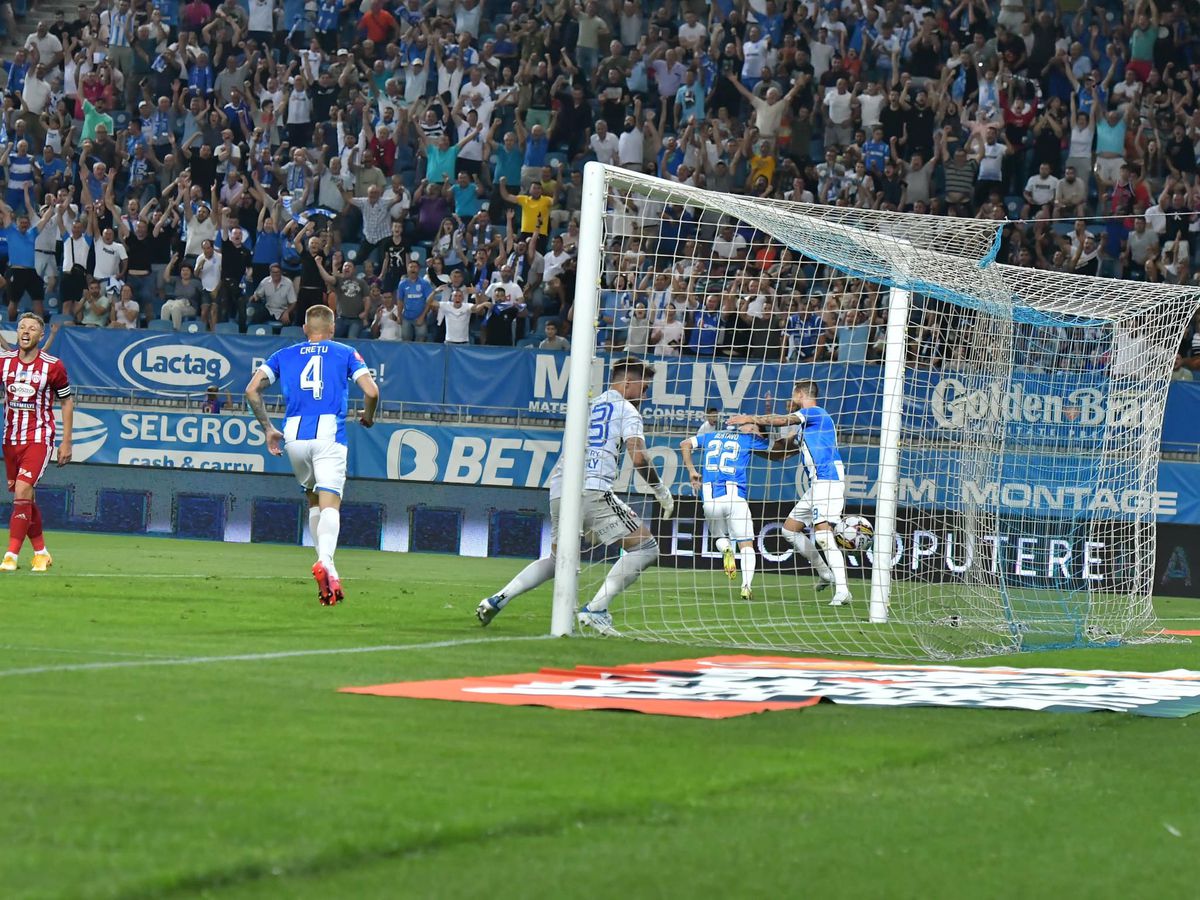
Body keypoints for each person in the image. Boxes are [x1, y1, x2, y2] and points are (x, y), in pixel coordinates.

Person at [476, 357, 674, 635]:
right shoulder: (627, 410)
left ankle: (497, 599)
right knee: (645, 547)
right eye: (643, 388)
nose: (645, 395)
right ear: (627, 382)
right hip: (592, 487)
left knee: (558, 561)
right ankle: (597, 609)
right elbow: (639, 458)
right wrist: (660, 490)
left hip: (560, 488)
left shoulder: (587, 405)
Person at [244, 305, 380, 605]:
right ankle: (327, 563)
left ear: (305, 329)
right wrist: (368, 417)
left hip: (293, 437)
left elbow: (252, 390)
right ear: (332, 329)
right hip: (329, 435)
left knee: (313, 499)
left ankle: (326, 570)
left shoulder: (284, 355)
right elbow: (371, 392)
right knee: (331, 501)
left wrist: (268, 428)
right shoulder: (344, 352)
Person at [729, 380, 846, 605]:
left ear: (800, 394)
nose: (789, 399)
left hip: (828, 479)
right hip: (816, 485)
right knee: (789, 531)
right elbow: (779, 453)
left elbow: (783, 420)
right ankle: (825, 573)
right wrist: (750, 444)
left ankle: (842, 591)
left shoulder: (815, 413)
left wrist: (751, 418)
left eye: (793, 394)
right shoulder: (805, 429)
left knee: (822, 535)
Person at [1, 313, 73, 572]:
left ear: (40, 335)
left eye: (32, 328)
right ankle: (41, 553)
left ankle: (11, 555)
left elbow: (66, 401)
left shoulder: (53, 366)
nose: (26, 331)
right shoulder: (3, 362)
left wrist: (66, 441)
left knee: (22, 490)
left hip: (39, 438)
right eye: (22, 327)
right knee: (26, 498)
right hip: (10, 439)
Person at [680, 422, 769, 600]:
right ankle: (746, 586)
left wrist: (691, 471)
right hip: (735, 497)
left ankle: (727, 550)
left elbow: (684, 444)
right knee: (746, 544)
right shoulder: (747, 439)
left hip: (710, 500)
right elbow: (771, 445)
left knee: (719, 537)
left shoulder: (712, 435)